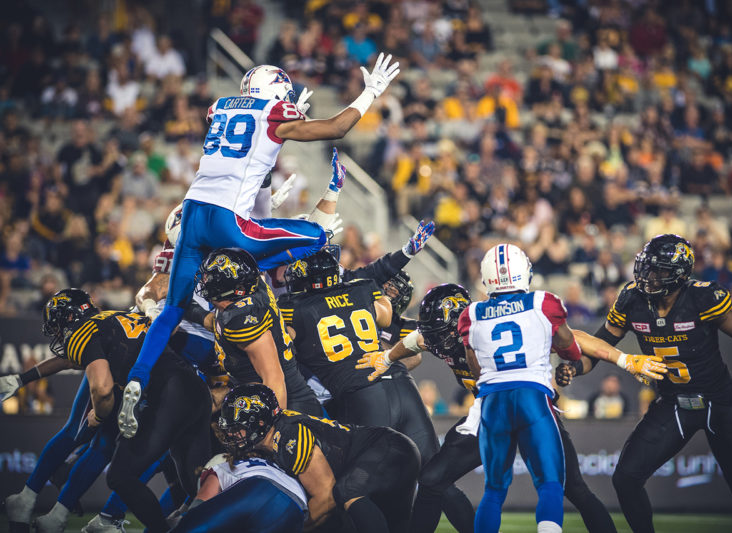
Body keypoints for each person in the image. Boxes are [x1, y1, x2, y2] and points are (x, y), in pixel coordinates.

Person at [121, 54, 402, 436]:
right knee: (317, 236)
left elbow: (253, 152)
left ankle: (137, 377)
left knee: (171, 310)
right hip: (229, 224)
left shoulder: (220, 107)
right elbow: (337, 127)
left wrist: (280, 134)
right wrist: (370, 93)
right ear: (278, 95)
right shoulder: (274, 112)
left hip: (192, 214)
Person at [360, 283, 664, 533]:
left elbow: (577, 338)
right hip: (493, 412)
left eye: (440, 332)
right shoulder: (439, 332)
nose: (435, 340)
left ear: (461, 322)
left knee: (574, 488)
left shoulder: (486, 324)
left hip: (526, 408)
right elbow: (415, 340)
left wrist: (624, 359)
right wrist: (385, 359)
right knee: (431, 480)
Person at [557, 234, 732, 533]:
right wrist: (573, 367)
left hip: (719, 401)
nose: (649, 276)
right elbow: (600, 346)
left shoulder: (702, 297)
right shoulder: (632, 298)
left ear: (679, 273)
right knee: (626, 478)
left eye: (659, 269)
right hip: (674, 402)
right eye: (647, 267)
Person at [457, 243, 663, 533]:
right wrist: (566, 357)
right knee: (551, 484)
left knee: (493, 491)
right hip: (532, 398)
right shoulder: (543, 302)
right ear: (523, 272)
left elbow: (474, 366)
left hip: (493, 401)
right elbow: (570, 346)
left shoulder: (472, 314)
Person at [278, 249, 475, 532]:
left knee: (353, 491)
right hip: (400, 384)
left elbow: (278, 341)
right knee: (437, 480)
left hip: (362, 396)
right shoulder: (361, 290)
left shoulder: (291, 307)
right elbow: (385, 317)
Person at [32, 289, 211, 533]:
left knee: (120, 476)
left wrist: (100, 415)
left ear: (68, 319)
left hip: (169, 395)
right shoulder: (116, 317)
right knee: (197, 488)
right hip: (197, 390)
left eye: (56, 327)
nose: (56, 334)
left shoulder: (81, 333)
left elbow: (103, 389)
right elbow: (169, 329)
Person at [216, 383, 420, 533]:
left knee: (345, 492)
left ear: (259, 423)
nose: (233, 435)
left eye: (237, 428)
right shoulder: (274, 439)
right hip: (380, 459)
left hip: (390, 449)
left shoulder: (288, 435)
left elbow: (326, 497)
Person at [188, 247, 322, 416]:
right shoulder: (249, 290)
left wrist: (276, 430)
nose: (205, 281)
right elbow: (215, 323)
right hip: (266, 397)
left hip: (285, 404)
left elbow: (274, 379)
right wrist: (183, 307)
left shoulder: (241, 318)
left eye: (210, 278)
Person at [170, 453, 307, 533]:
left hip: (259, 491)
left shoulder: (219, 468)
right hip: (297, 508)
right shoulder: (269, 467)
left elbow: (198, 506)